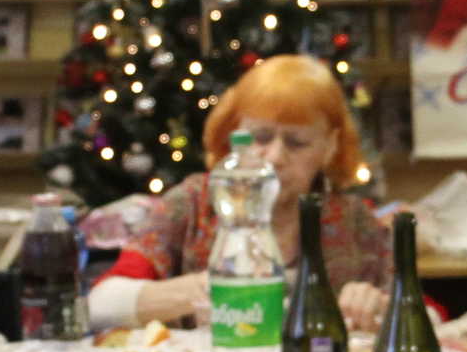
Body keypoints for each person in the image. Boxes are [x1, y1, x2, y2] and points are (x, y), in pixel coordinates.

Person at [88, 54, 393, 333]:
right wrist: (199, 291)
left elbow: (413, 313)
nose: (275, 157)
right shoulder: (193, 202)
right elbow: (99, 305)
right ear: (232, 135)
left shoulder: (355, 221)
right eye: (261, 137)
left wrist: (377, 309)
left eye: (297, 142)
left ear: (329, 146)